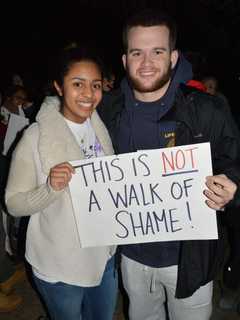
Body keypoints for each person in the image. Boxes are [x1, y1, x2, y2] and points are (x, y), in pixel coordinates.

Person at [98, 9, 240, 320]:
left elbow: (235, 162)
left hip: (190, 258)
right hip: (133, 257)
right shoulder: (106, 111)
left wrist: (232, 185)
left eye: (157, 51)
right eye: (137, 52)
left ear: (173, 57)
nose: (146, 63)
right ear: (124, 60)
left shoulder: (208, 110)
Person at [5, 47, 117, 320]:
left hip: (103, 257)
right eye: (78, 84)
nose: (89, 94)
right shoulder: (35, 136)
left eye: (96, 85)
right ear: (59, 86)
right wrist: (50, 189)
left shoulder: (101, 127)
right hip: (59, 266)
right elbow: (13, 203)